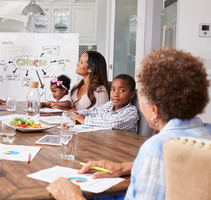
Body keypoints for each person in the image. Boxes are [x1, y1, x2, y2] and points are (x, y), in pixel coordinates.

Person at [47, 48, 211, 200]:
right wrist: (127, 167)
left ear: (153, 108)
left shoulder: (156, 149)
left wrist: (73, 197)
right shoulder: (206, 135)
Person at [74, 74, 139, 134]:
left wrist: (85, 120)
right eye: (113, 89)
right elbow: (94, 112)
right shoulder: (109, 105)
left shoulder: (131, 112)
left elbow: (114, 123)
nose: (115, 94)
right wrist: (76, 115)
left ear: (131, 95)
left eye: (121, 91)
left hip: (121, 145)